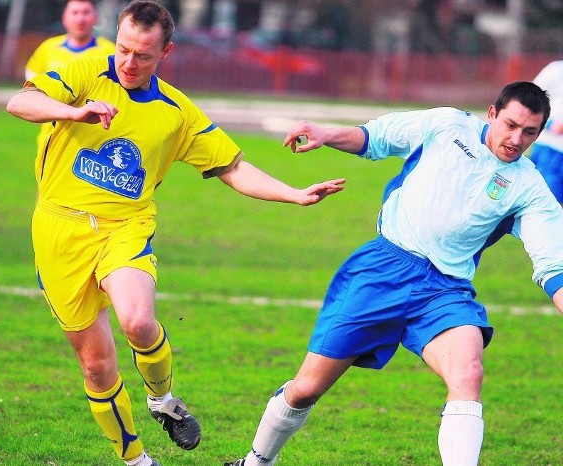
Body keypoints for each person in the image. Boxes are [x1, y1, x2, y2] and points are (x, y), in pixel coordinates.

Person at [6, 2, 345, 466]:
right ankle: (136, 459)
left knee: (139, 321)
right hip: (56, 228)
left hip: (125, 226)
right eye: (123, 49)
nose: (128, 62)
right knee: (97, 367)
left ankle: (161, 400)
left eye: (142, 55)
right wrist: (73, 112)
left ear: (165, 51)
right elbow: (20, 101)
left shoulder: (176, 111)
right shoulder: (83, 71)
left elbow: (233, 166)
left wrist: (294, 194)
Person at [224, 81, 563, 466]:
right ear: (491, 113)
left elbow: (553, 264)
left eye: (529, 132)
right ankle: (256, 461)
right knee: (306, 389)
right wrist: (324, 134)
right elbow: (376, 138)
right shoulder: (446, 125)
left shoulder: (530, 187)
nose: (516, 139)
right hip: (383, 269)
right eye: (511, 125)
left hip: (444, 291)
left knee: (468, 372)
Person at [25, 0, 115, 147]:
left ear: (95, 18)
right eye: (75, 13)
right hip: (52, 136)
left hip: (94, 138)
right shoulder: (48, 48)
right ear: (64, 18)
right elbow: (31, 79)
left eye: (86, 12)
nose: (80, 18)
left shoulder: (110, 52)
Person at [531, 60, 563, 205]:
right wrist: (549, 124)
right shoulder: (556, 70)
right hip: (551, 148)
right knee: (545, 201)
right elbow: (529, 98)